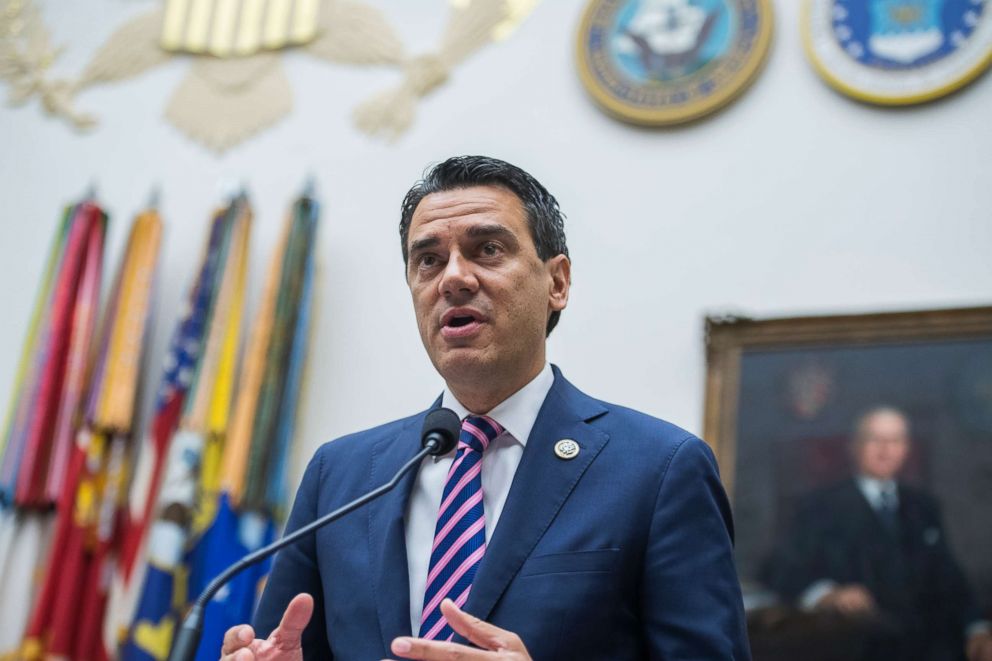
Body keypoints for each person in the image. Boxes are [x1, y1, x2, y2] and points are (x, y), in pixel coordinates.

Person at [220, 155, 750, 660]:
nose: (453, 278)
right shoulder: (341, 477)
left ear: (557, 282)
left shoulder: (659, 470)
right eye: (428, 259)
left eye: (488, 249)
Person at [763, 406, 992, 661]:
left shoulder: (922, 506)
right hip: (857, 646)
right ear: (854, 446)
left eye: (894, 441)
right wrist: (827, 593)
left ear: (905, 448)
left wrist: (977, 629)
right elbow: (779, 568)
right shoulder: (820, 506)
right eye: (875, 440)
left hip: (926, 647)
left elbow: (949, 577)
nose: (886, 450)